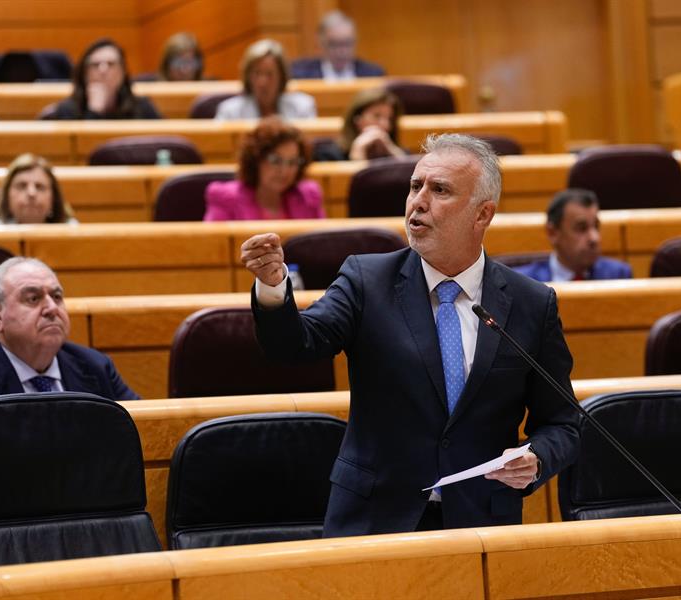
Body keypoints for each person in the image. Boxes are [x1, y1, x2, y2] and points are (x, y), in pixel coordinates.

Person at [241, 133, 579, 536]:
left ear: (482, 214)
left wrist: (537, 458)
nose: (418, 201)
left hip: (480, 525)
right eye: (415, 186)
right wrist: (273, 288)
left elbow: (563, 422)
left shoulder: (530, 303)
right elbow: (296, 345)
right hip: (375, 521)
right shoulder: (367, 281)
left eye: (440, 190)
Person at [0, 258, 139, 403]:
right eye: (33, 298)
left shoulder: (96, 366)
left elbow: (141, 429)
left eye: (57, 297)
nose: (52, 308)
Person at [204, 117, 324, 221]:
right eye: (276, 160)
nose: (285, 171)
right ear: (256, 159)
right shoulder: (225, 199)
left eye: (293, 162)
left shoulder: (308, 197)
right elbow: (212, 241)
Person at [514, 189, 632, 282]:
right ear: (553, 233)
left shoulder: (619, 275)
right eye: (581, 228)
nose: (594, 238)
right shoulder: (524, 282)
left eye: (596, 226)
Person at [46, 38, 161, 120]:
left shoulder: (142, 107)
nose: (103, 70)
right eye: (95, 65)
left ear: (123, 72)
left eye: (111, 64)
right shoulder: (67, 109)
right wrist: (94, 111)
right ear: (84, 73)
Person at [215, 39, 316, 121]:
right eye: (257, 73)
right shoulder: (229, 111)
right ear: (248, 76)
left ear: (281, 77)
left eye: (269, 74)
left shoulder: (302, 107)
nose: (262, 82)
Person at [0, 154, 77, 225]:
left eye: (40, 187)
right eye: (22, 186)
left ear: (54, 197)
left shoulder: (72, 232)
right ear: (7, 195)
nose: (31, 193)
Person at [313, 88, 405, 161]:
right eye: (377, 116)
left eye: (390, 119)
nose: (385, 125)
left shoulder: (399, 153)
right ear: (357, 119)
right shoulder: (329, 156)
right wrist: (358, 151)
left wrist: (393, 151)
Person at [291, 10, 386, 80]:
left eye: (347, 43)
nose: (341, 51)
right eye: (333, 44)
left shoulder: (373, 74)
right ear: (321, 43)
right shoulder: (300, 73)